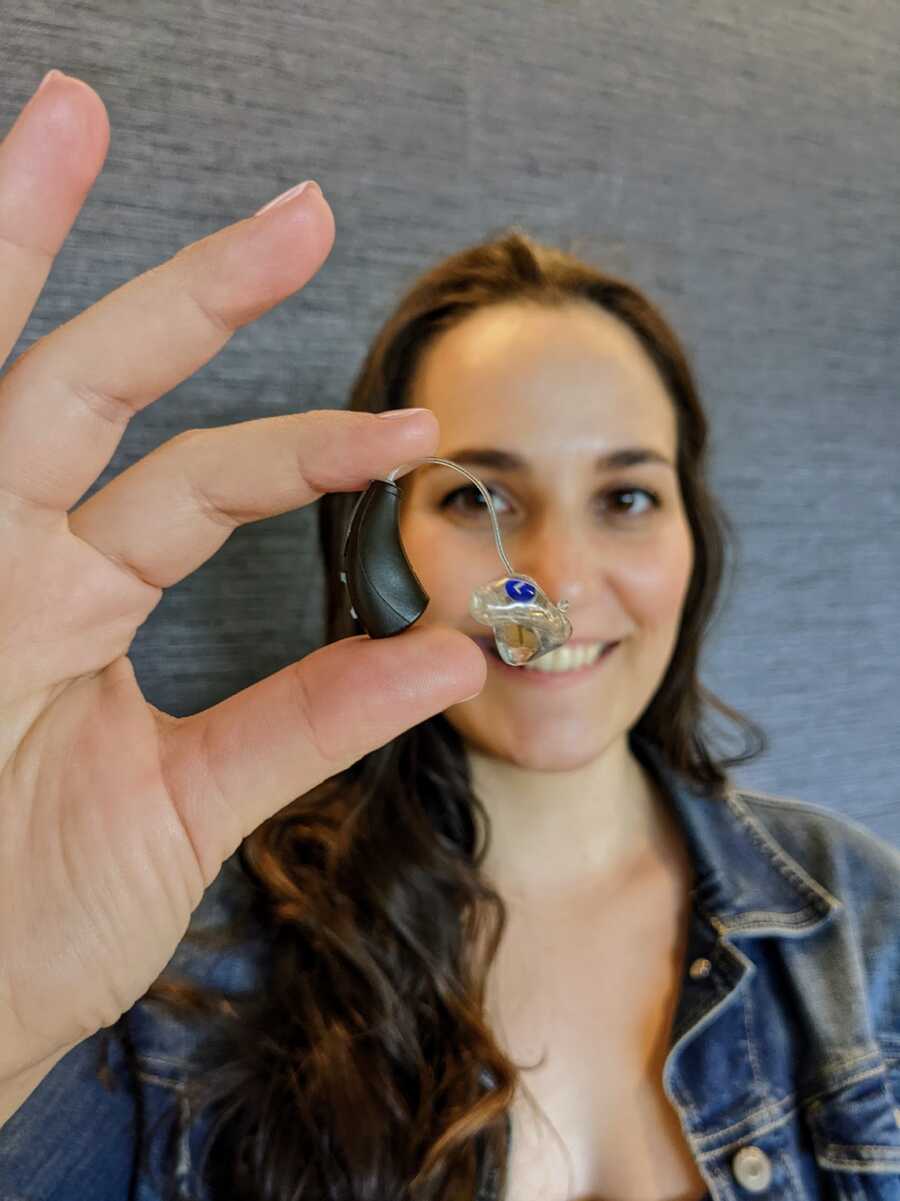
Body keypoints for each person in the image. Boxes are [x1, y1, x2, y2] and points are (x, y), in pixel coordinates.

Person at [1, 69, 898, 1201]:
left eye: (625, 497)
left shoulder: (866, 931)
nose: (558, 585)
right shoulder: (182, 968)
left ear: (692, 537)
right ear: (375, 537)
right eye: (479, 498)